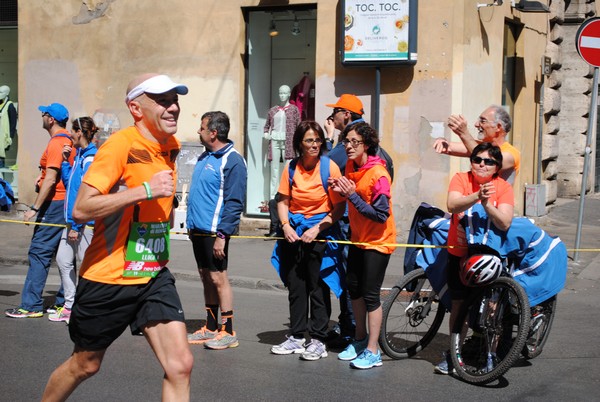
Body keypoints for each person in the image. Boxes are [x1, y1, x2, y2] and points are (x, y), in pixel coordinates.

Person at [41, 73, 193, 401]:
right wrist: (145, 191)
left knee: (180, 364)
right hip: (108, 277)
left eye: (175, 100)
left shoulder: (171, 145)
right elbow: (82, 208)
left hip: (152, 272)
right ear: (136, 108)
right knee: (86, 364)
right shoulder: (119, 146)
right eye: (163, 101)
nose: (173, 108)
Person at [434, 142, 514, 375]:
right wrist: (477, 195)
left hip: (489, 256)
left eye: (488, 161)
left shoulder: (503, 187)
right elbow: (452, 203)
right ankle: (454, 354)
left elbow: (505, 222)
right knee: (459, 304)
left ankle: (489, 356)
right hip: (459, 252)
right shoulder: (461, 178)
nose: (481, 164)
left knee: (491, 307)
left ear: (497, 167)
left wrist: (488, 205)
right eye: (476, 159)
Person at [270, 121, 345, 361]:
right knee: (296, 285)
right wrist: (285, 226)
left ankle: (319, 339)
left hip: (321, 232)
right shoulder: (291, 168)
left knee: (318, 287)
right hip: (295, 232)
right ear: (299, 144)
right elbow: (282, 200)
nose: (315, 145)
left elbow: (339, 207)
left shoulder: (329, 167)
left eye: (318, 140)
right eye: (309, 140)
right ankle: (297, 336)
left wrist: (317, 228)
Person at [329, 122, 396, 369]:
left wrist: (352, 196)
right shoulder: (350, 166)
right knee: (353, 289)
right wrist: (339, 190)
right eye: (346, 141)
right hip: (358, 238)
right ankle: (359, 340)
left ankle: (373, 350)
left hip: (378, 242)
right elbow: (350, 195)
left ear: (366, 145)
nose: (348, 146)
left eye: (354, 142)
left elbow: (380, 215)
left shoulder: (379, 174)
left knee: (370, 295)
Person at [5, 102, 75, 318]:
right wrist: (42, 174)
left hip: (54, 204)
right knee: (64, 254)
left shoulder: (57, 143)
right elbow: (51, 172)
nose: (42, 116)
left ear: (51, 119)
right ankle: (63, 302)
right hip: (64, 203)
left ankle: (31, 305)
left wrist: (34, 208)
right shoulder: (68, 140)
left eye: (44, 114)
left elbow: (52, 179)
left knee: (39, 252)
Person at [186, 111, 247, 350]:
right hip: (198, 229)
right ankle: (210, 327)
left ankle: (228, 329)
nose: (198, 132)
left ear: (213, 132)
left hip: (214, 232)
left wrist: (223, 235)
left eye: (201, 128)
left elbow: (234, 202)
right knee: (205, 277)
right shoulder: (204, 157)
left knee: (218, 278)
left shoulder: (232, 160)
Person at [49, 117, 98, 323]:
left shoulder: (90, 159)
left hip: (83, 223)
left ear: (80, 132)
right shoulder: (79, 156)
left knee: (86, 268)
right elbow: (71, 186)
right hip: (73, 221)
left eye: (72, 131)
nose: (69, 134)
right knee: (62, 260)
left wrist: (77, 225)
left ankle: (86, 310)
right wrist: (65, 163)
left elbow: (84, 194)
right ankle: (70, 306)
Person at [433, 105, 521, 184]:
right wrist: (441, 141)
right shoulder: (480, 146)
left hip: (496, 202)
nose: (476, 124)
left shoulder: (511, 154)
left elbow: (485, 158)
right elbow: (448, 147)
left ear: (498, 127)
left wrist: (464, 133)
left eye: (483, 121)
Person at [264, 85, 301, 236]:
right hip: (275, 141)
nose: (282, 95)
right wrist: (266, 134)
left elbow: (299, 126)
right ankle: (274, 197)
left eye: (285, 92)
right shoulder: (273, 110)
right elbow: (266, 127)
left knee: (287, 170)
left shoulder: (293, 110)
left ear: (289, 94)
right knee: (274, 172)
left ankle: (287, 197)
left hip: (288, 142)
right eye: (280, 92)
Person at [0, 85, 17, 168]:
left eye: (1, 92)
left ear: (6, 94)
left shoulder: (9, 106)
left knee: (1, 154)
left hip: (4, 136)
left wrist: (11, 136)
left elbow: (13, 122)